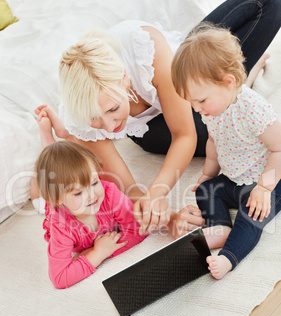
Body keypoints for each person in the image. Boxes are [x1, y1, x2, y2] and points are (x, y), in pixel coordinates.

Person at [33, 0, 281, 236]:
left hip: (183, 79)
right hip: (153, 131)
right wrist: (165, 214)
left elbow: (183, 133)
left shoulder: (145, 48)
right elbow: (130, 192)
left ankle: (240, 80)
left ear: (125, 79)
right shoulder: (79, 118)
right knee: (219, 127)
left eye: (112, 110)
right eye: (94, 119)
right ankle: (242, 81)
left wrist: (157, 192)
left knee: (270, 5)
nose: (110, 127)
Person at [171, 21, 281, 280]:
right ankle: (219, 227)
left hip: (266, 181)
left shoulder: (254, 110)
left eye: (200, 100)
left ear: (229, 82)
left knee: (251, 216)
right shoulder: (213, 108)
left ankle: (229, 257)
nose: (196, 109)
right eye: (191, 102)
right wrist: (208, 174)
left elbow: (279, 150)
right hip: (233, 178)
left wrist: (263, 190)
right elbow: (213, 142)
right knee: (207, 190)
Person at [35, 116, 147, 289]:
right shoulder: (61, 224)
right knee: (39, 195)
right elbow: (59, 278)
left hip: (63, 191)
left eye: (94, 182)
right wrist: (98, 253)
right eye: (79, 192)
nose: (92, 195)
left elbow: (139, 229)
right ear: (59, 199)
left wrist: (105, 251)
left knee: (60, 162)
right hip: (54, 201)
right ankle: (46, 135)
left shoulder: (109, 193)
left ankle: (59, 134)